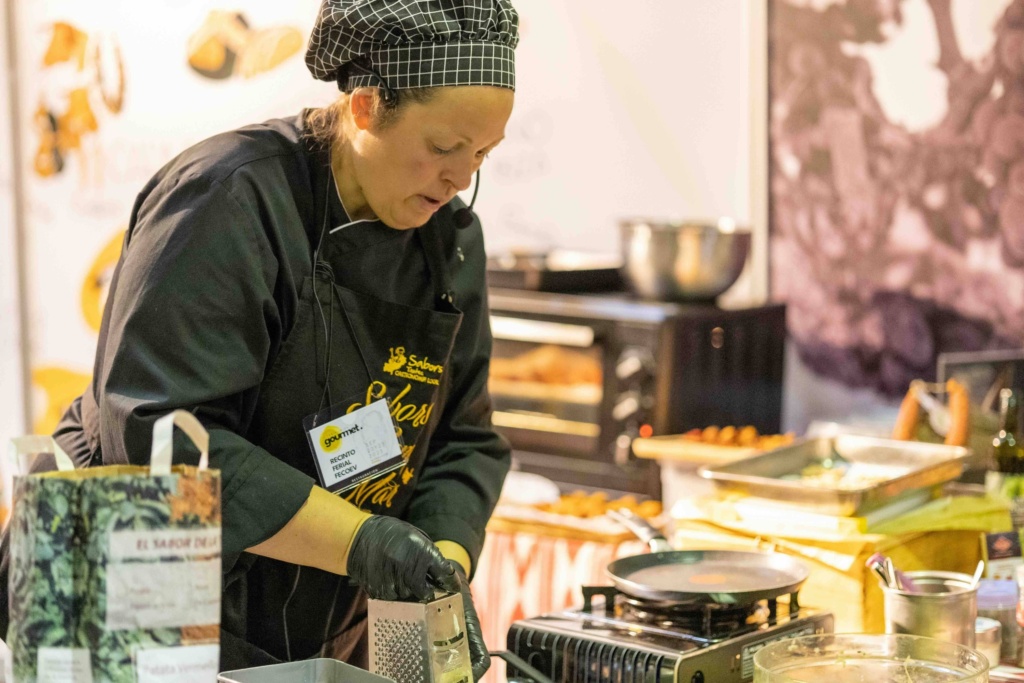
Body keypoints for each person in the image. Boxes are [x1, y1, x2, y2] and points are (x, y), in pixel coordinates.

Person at [39, 0, 519, 676]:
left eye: (483, 154)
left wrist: (438, 561)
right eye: (443, 148)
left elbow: (464, 439)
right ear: (363, 106)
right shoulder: (228, 198)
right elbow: (162, 441)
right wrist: (365, 541)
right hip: (134, 611)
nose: (461, 177)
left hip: (311, 634)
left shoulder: (447, 243)